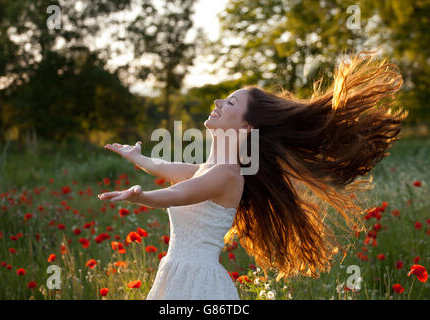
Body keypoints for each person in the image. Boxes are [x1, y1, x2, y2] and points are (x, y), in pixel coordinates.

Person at [98, 50, 408, 299]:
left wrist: (141, 197)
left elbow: (178, 194)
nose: (218, 103)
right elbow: (165, 168)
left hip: (198, 282)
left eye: (230, 102)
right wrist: (137, 156)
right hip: (180, 274)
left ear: (247, 127)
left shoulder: (228, 175)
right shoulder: (208, 170)